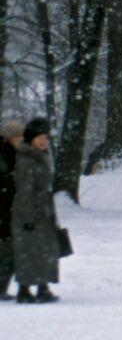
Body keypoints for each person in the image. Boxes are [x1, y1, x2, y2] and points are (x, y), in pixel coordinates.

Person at [7, 118, 57, 304]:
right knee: (30, 251)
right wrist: (28, 216)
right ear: (30, 139)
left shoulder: (38, 157)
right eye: (39, 137)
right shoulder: (28, 161)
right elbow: (25, 191)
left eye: (46, 137)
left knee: (42, 251)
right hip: (31, 214)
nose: (43, 141)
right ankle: (27, 289)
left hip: (41, 212)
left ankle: (39, 287)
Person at [1, 119, 21, 300]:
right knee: (7, 251)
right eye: (17, 136)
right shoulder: (7, 155)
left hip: (8, 209)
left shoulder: (12, 154)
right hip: (5, 210)